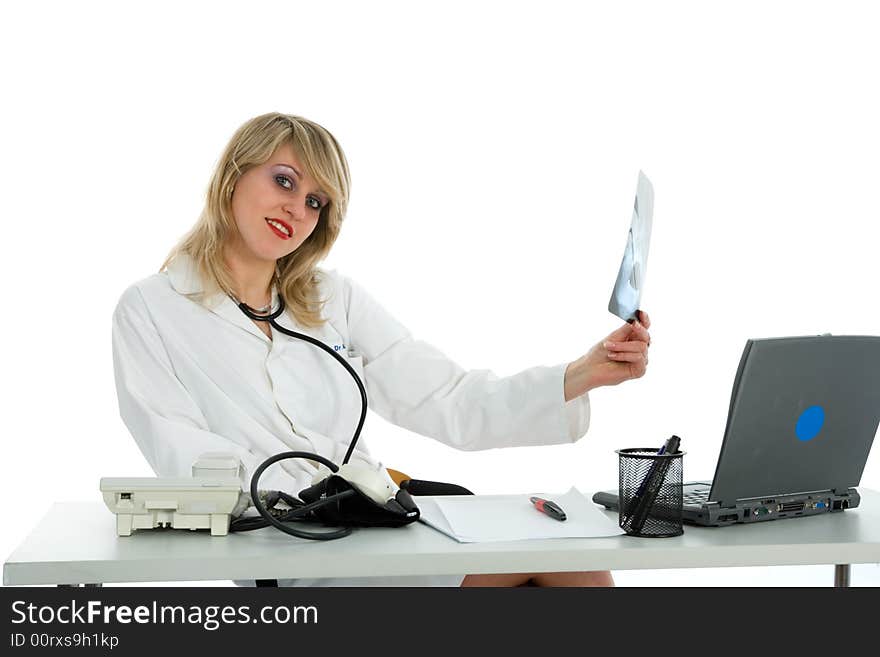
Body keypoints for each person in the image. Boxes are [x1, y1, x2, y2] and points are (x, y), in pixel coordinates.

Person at [111, 112, 652, 587]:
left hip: (375, 521)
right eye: (284, 181)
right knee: (555, 564)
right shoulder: (152, 309)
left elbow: (448, 398)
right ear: (233, 175)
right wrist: (306, 498)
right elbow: (181, 451)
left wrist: (583, 373)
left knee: (571, 557)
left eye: (315, 201)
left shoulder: (331, 298)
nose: (297, 210)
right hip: (280, 545)